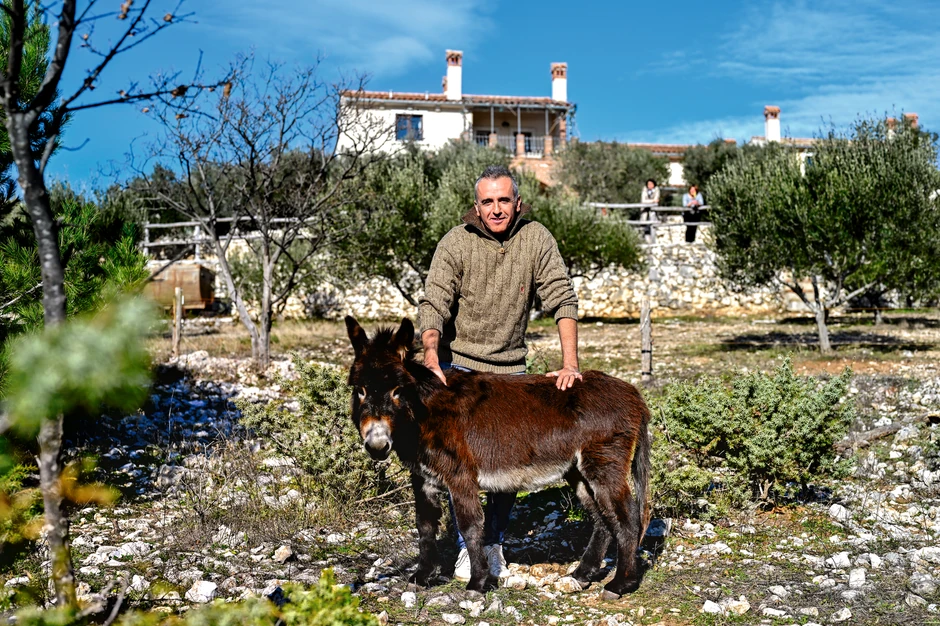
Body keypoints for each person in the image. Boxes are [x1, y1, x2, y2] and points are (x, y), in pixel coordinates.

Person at [419, 164, 581, 582]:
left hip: (511, 369)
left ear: (518, 203)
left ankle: (493, 543)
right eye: (488, 201)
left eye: (503, 200)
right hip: (460, 367)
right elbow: (435, 302)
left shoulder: (536, 238)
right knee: (460, 466)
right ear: (477, 206)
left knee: (511, 466)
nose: (496, 209)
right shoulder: (456, 242)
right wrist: (431, 354)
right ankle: (463, 547)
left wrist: (570, 363)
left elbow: (562, 298)